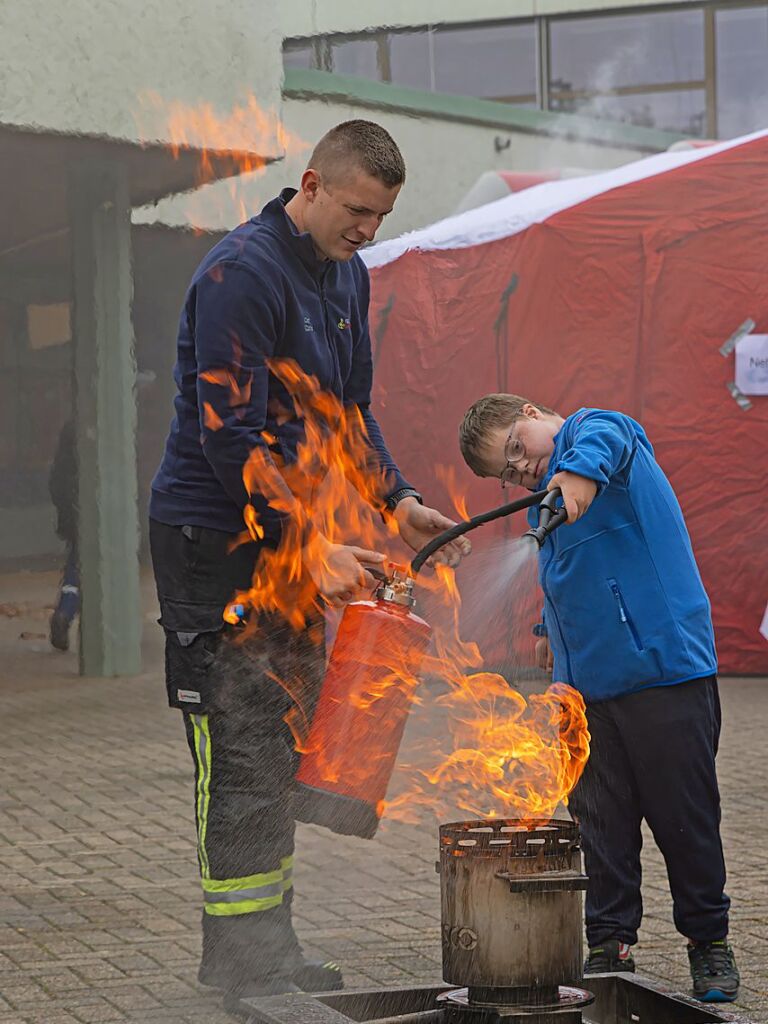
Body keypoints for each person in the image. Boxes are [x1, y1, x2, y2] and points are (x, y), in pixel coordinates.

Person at [149, 120, 469, 1014]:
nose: (368, 230)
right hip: (216, 551)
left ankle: (271, 948)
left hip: (298, 548)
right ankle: (242, 964)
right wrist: (305, 544)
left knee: (287, 748)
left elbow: (350, 413)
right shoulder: (240, 274)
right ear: (313, 184)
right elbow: (229, 440)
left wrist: (395, 499)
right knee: (241, 750)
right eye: (358, 210)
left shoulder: (346, 275)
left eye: (383, 216)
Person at [458, 394, 739, 1005]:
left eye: (515, 447)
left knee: (684, 820)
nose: (520, 469)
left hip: (664, 676)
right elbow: (571, 571)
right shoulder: (552, 505)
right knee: (602, 829)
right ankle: (610, 946)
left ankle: (709, 942)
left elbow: (608, 435)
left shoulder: (594, 436)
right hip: (585, 697)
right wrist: (545, 634)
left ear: (532, 412)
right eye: (505, 472)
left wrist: (577, 470)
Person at [49, 419, 80, 651]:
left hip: (72, 518)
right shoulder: (99, 432)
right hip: (93, 518)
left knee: (75, 568)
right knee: (83, 569)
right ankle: (66, 612)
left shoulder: (68, 435)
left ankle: (65, 611)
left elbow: (56, 485)